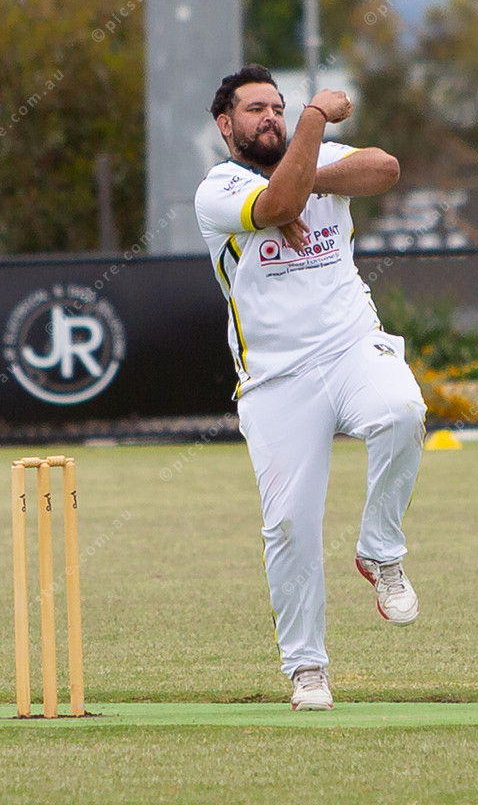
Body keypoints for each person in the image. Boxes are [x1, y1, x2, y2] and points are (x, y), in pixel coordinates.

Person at [194, 64, 426, 711]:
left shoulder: (314, 153)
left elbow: (385, 169)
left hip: (351, 345)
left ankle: (380, 552)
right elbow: (273, 208)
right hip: (276, 379)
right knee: (291, 526)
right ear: (225, 125)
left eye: (279, 106)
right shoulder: (217, 190)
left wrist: (304, 171)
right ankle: (307, 669)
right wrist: (312, 123)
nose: (271, 117)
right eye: (255, 110)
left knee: (403, 411)